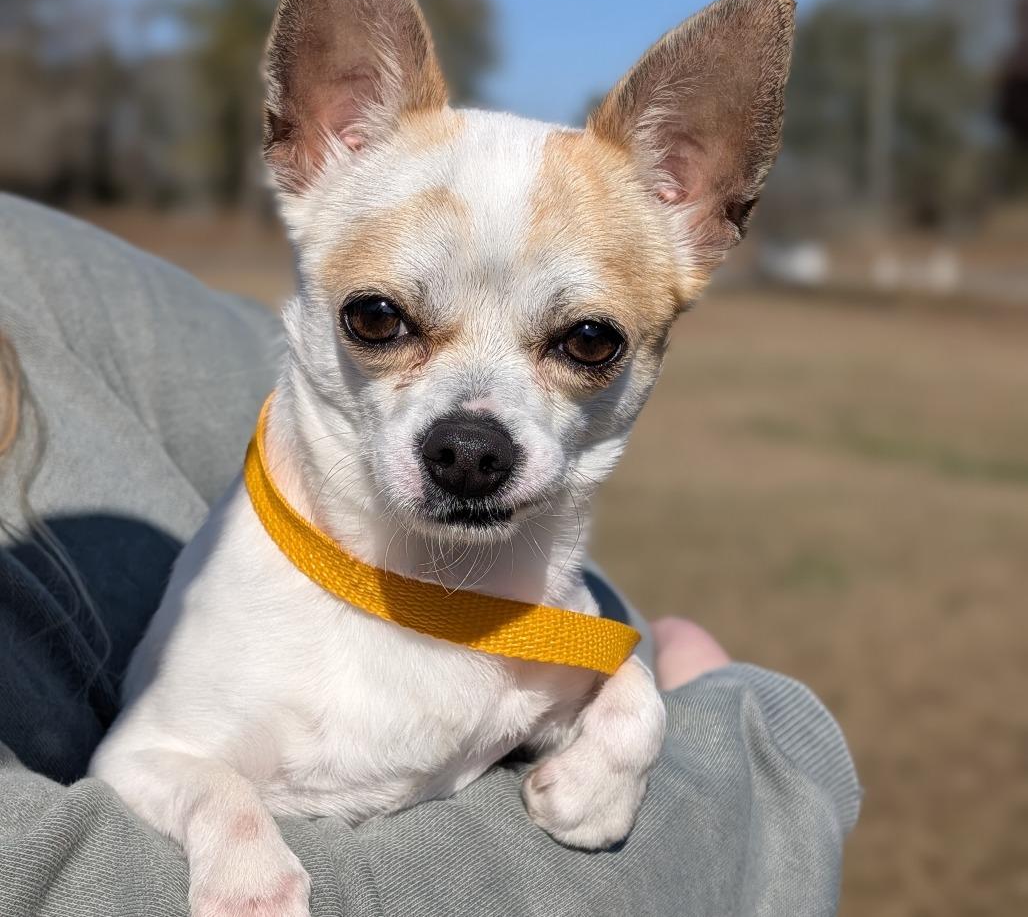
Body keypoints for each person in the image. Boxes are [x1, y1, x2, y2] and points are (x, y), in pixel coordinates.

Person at [0, 194, 860, 917]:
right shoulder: (245, 609)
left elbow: (572, 673)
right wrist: (738, 742)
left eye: (584, 342)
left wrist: (634, 712)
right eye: (383, 321)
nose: (472, 435)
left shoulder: (67, 285)